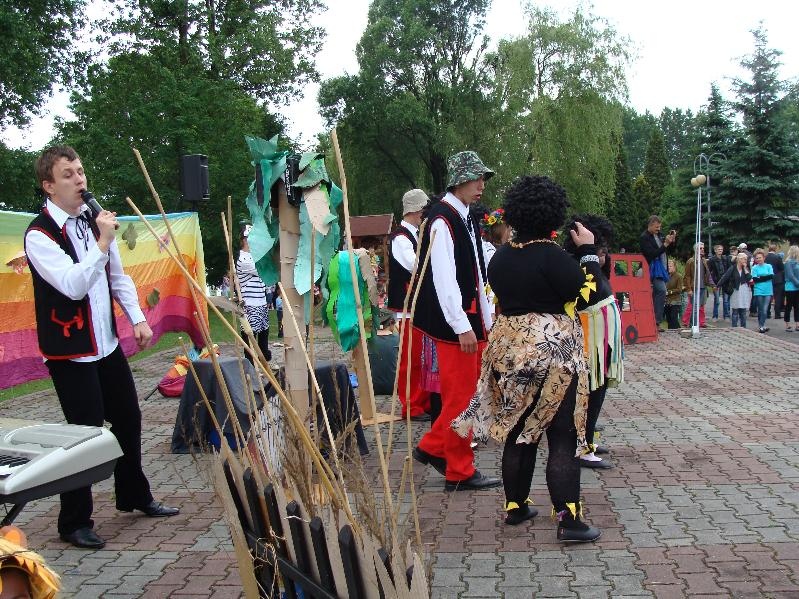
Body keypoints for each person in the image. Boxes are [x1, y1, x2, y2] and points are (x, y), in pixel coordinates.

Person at [24, 146, 178, 550]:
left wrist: (137, 318)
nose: (79, 179)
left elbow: (117, 277)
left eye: (80, 171)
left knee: (128, 418)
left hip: (105, 343)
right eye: (68, 174)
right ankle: (74, 521)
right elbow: (74, 285)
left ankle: (134, 495)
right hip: (70, 351)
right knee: (85, 433)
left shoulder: (92, 222)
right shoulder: (39, 234)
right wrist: (103, 243)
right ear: (49, 186)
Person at [452, 175, 601, 542]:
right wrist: (588, 253)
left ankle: (516, 507)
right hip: (552, 352)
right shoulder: (552, 255)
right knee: (562, 436)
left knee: (519, 430)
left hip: (510, 351)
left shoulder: (501, 257)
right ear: (554, 214)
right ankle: (569, 520)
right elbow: (587, 296)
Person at [411, 151, 500, 491]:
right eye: (476, 178)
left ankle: (435, 448)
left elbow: (475, 273)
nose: (481, 185)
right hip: (454, 326)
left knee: (466, 396)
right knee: (462, 399)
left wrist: (485, 319)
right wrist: (461, 325)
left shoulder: (463, 217)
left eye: (482, 179)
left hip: (469, 320)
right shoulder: (442, 220)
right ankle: (458, 469)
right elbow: (444, 278)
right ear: (459, 180)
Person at [564, 214, 624, 471]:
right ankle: (581, 445)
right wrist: (589, 255)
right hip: (589, 339)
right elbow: (591, 292)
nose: (603, 253)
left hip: (602, 337)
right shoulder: (576, 265)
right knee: (588, 391)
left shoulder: (593, 265)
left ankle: (587, 441)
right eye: (599, 247)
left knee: (598, 389)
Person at [387, 188, 431, 420]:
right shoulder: (401, 238)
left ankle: (423, 401)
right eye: (424, 211)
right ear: (417, 211)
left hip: (418, 305)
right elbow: (415, 267)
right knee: (411, 359)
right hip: (407, 306)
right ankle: (411, 405)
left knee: (423, 357)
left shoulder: (415, 235)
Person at [236, 224, 272, 363]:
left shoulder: (254, 257)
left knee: (264, 333)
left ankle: (264, 361)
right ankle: (250, 364)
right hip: (250, 304)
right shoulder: (243, 259)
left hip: (261, 302)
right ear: (245, 240)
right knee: (250, 336)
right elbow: (263, 270)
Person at [639, 216, 676, 331]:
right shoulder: (644, 237)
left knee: (657, 293)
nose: (658, 229)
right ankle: (656, 321)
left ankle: (654, 321)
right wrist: (665, 245)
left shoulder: (660, 235)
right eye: (656, 227)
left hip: (662, 268)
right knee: (661, 290)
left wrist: (672, 241)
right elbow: (651, 254)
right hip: (651, 268)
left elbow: (669, 251)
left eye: (659, 227)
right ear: (650, 225)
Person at [718, 252, 752, 328]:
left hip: (744, 290)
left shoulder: (745, 268)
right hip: (735, 290)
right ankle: (734, 327)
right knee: (735, 311)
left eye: (746, 259)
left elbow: (749, 278)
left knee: (743, 312)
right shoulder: (733, 268)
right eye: (744, 259)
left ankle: (743, 328)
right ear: (739, 260)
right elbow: (725, 277)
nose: (745, 261)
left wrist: (745, 269)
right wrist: (718, 285)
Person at [682, 242, 712, 328]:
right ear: (696, 250)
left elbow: (707, 274)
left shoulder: (703, 260)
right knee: (694, 307)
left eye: (703, 248)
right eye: (700, 248)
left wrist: (712, 284)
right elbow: (687, 276)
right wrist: (689, 289)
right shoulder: (691, 261)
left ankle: (696, 324)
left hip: (702, 287)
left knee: (700, 306)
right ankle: (693, 325)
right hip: (694, 287)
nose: (702, 250)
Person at [751, 248, 774, 333]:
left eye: (760, 257)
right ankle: (761, 326)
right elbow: (755, 279)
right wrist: (765, 277)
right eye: (757, 258)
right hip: (758, 290)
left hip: (768, 290)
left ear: (764, 258)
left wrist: (760, 277)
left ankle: (762, 325)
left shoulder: (769, 266)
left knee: (765, 310)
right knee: (760, 309)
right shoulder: (754, 268)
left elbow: (771, 276)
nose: (758, 259)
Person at [708, 244, 730, 321]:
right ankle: (715, 316)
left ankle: (726, 316)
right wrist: (711, 283)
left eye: (721, 249)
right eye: (719, 249)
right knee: (717, 300)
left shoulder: (725, 258)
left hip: (725, 281)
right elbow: (709, 271)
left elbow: (728, 269)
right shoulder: (712, 260)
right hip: (716, 282)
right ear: (715, 250)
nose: (720, 251)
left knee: (726, 300)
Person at [765, 243, 785, 319]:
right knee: (778, 297)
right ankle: (777, 314)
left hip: (768, 278)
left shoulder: (765, 257)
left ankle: (767, 313)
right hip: (777, 279)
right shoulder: (777, 257)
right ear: (775, 249)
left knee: (768, 296)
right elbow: (782, 268)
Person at [783, 246, 799, 332]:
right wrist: (798, 283)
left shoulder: (797, 262)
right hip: (790, 287)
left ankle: (797, 324)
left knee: (797, 306)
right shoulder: (788, 262)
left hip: (796, 287)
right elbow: (790, 275)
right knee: (788, 306)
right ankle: (787, 324)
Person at [664, 259, 684, 329]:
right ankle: (671, 331)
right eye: (668, 266)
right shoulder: (666, 275)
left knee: (673, 318)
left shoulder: (679, 276)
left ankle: (678, 330)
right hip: (667, 301)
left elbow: (679, 289)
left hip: (675, 301)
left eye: (670, 266)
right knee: (668, 319)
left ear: (675, 267)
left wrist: (669, 292)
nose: (669, 268)